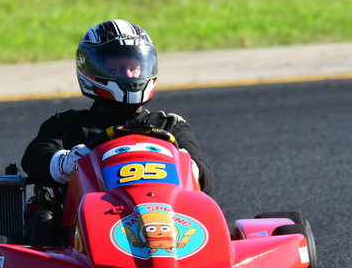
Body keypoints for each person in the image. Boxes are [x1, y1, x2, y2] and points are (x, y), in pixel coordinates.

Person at [21, 19, 213, 195]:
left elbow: (205, 180)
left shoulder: (169, 125)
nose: (128, 75)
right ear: (92, 70)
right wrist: (66, 163)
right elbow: (34, 158)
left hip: (163, 213)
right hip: (91, 216)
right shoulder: (69, 124)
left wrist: (188, 165)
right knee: (43, 221)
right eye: (117, 69)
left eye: (134, 68)